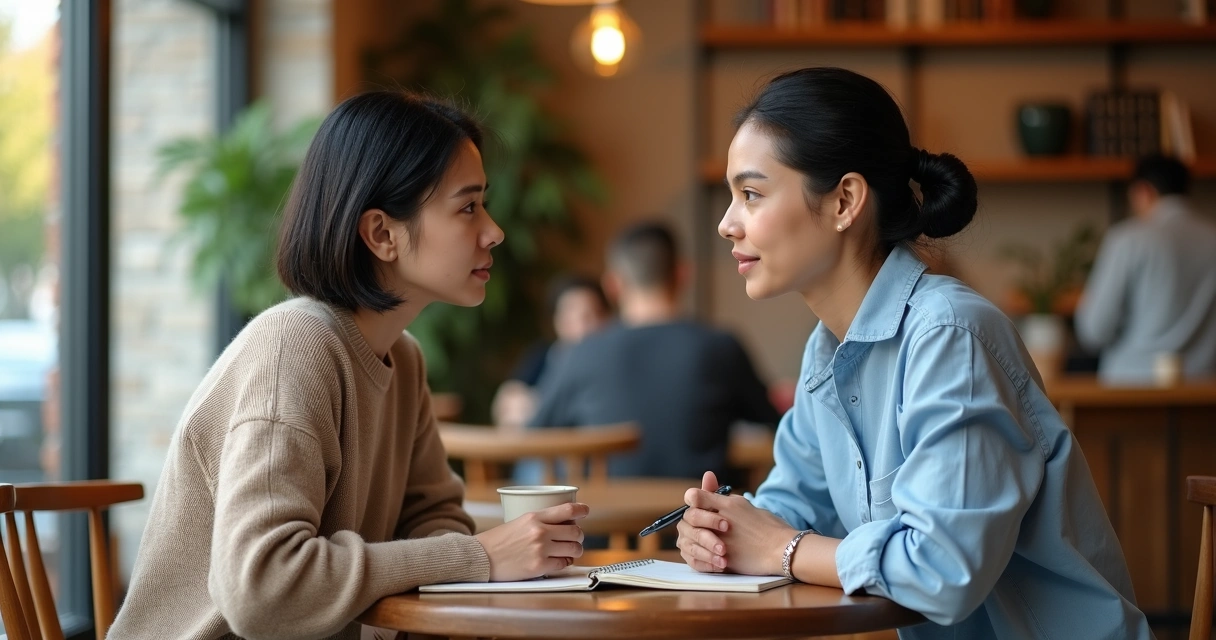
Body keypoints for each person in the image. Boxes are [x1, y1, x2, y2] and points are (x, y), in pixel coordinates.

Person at [675, 67, 1151, 638]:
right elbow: (790, 507)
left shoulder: (951, 335)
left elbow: (940, 571)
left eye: (750, 194)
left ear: (845, 200)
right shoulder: (825, 350)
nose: (727, 224)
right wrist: (724, 531)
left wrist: (780, 547)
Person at [109, 91, 588, 640]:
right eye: (468, 207)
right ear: (382, 234)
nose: (494, 230)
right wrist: (475, 557)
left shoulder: (403, 359)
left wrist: (468, 551)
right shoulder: (295, 348)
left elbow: (435, 519)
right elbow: (262, 589)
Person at [526, 221, 779, 483]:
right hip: (699, 518)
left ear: (613, 284)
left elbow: (535, 433)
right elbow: (775, 423)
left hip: (604, 521)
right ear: (682, 274)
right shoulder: (721, 347)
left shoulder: (583, 352)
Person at [1076, 154, 1216, 384]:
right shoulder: (1212, 239)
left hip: (1131, 386)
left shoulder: (1129, 239)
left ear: (1143, 191)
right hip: (1203, 391)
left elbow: (1094, 330)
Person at [491, 274, 611, 428]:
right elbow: (506, 402)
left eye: (590, 316)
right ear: (556, 321)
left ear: (607, 318)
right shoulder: (542, 355)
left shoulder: (613, 362)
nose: (582, 327)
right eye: (571, 317)